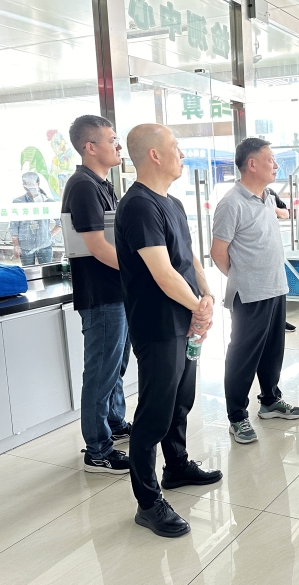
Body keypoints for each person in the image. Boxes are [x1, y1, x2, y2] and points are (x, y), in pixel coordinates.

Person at [116, 124, 222, 537]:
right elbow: (162, 273)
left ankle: (176, 466)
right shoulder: (139, 206)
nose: (182, 154)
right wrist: (198, 308)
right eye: (175, 147)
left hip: (186, 320)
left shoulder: (171, 202)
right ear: (154, 155)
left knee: (181, 400)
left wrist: (206, 297)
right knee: (155, 413)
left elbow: (188, 259)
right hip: (159, 325)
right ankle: (148, 502)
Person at [211, 138, 299, 445]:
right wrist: (243, 277)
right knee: (243, 356)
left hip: (276, 287)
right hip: (250, 293)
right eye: (270, 159)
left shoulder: (265, 197)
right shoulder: (231, 203)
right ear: (252, 164)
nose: (275, 165)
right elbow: (218, 252)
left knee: (273, 350)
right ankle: (237, 416)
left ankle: (270, 400)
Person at [62, 115, 132, 474]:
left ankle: (115, 424)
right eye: (112, 140)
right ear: (90, 147)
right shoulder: (83, 187)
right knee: (102, 371)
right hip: (101, 296)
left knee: (116, 366)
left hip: (116, 292)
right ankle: (98, 449)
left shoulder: (102, 184)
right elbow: (97, 246)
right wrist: (142, 270)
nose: (118, 146)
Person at [10, 173, 60, 266]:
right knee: (28, 271)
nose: (28, 186)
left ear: (38, 183)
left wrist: (49, 235)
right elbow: (14, 226)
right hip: (25, 245)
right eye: (26, 183)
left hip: (44, 245)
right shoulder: (18, 202)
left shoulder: (47, 201)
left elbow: (60, 222)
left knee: (46, 271)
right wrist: (16, 245)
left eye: (31, 183)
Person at [266, 186, 297, 333]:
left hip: (272, 246)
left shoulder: (270, 193)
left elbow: (285, 213)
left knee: (277, 288)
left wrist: (274, 210)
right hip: (254, 253)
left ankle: (279, 321)